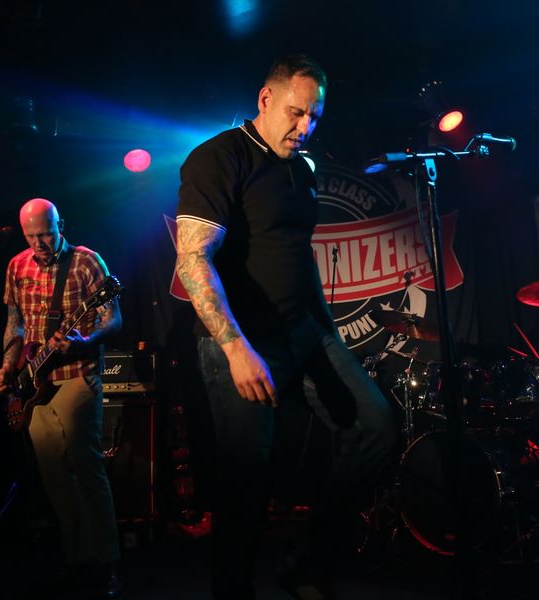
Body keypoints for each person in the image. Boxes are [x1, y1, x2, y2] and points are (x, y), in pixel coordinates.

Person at [175, 54, 396, 599]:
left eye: (315, 116)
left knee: (376, 428)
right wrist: (236, 349)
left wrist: (325, 332)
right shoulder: (218, 157)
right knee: (247, 485)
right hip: (244, 339)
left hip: (306, 331)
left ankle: (308, 563)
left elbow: (296, 255)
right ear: (265, 99)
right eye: (296, 113)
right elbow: (193, 258)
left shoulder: (304, 168)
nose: (305, 127)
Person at [0, 198, 122, 598]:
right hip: (34, 384)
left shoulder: (87, 262)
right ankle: (78, 558)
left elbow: (113, 319)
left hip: (77, 374)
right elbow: (15, 326)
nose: (39, 243)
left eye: (46, 234)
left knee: (86, 466)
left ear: (60, 225)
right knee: (54, 478)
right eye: (31, 236)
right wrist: (8, 367)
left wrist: (86, 340)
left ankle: (107, 564)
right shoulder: (16, 266)